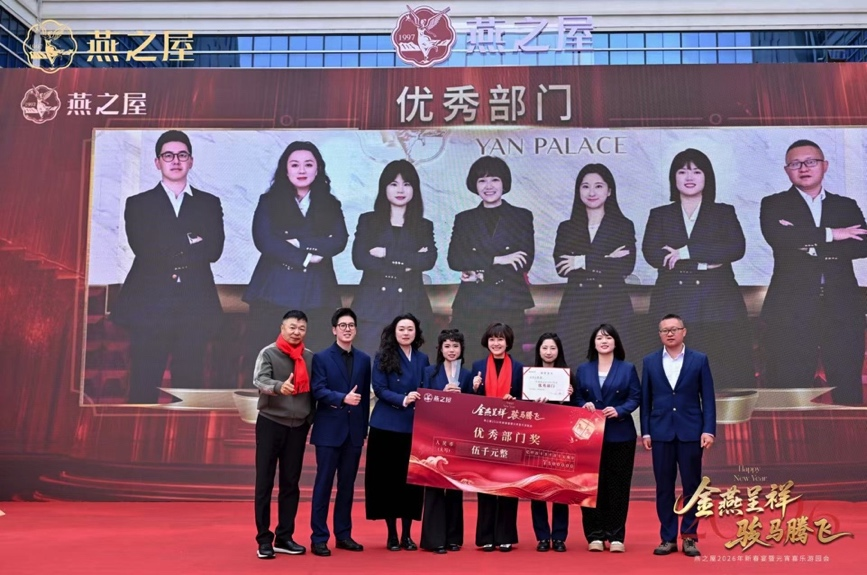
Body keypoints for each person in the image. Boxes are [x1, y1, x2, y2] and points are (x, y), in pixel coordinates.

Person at [112, 130, 225, 404]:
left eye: (182, 155)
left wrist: (169, 241)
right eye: (168, 155)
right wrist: (191, 239)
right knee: (144, 382)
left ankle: (187, 433)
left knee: (189, 384)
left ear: (191, 161)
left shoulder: (209, 203)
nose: (175, 160)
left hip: (195, 303)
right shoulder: (138, 204)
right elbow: (145, 249)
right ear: (157, 162)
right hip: (149, 303)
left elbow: (214, 250)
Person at [760, 139, 867, 405]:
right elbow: (779, 239)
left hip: (842, 305)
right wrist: (834, 234)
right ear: (787, 170)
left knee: (847, 384)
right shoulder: (774, 204)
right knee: (789, 385)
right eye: (795, 164)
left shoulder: (845, 205)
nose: (804, 168)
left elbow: (862, 245)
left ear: (824, 166)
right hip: (790, 306)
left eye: (811, 162)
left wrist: (808, 244)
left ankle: (847, 432)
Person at [642, 148, 753, 390]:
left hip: (718, 302)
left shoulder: (723, 212)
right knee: (675, 375)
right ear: (673, 177)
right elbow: (652, 254)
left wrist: (685, 253)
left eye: (696, 171)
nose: (689, 177)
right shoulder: (660, 214)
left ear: (707, 177)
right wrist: (707, 261)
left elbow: (735, 248)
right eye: (682, 171)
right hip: (673, 300)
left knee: (721, 371)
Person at [244, 141, 349, 362]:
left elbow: (339, 240)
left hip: (318, 291)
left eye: (308, 164)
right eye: (294, 165)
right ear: (285, 169)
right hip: (273, 290)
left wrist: (300, 242)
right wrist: (307, 257)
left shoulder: (330, 204)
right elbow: (264, 240)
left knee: (315, 359)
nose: (302, 170)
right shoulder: (269, 201)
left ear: (318, 169)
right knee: (268, 360)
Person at [640, 314, 716, 558]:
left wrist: (708, 429)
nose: (670, 333)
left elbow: (708, 398)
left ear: (684, 331)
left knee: (692, 486)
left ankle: (690, 537)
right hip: (660, 432)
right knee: (664, 486)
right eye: (665, 330)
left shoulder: (699, 359)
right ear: (659, 334)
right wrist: (646, 431)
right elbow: (645, 400)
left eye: (674, 329)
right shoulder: (650, 361)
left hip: (691, 431)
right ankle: (668, 538)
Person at [447, 157, 535, 357]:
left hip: (509, 300)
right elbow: (455, 260)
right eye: (482, 180)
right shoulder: (464, 219)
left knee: (509, 359)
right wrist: (499, 259)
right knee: (471, 358)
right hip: (471, 303)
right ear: (475, 185)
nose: (488, 186)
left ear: (504, 183)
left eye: (494, 179)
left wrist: (477, 272)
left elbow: (524, 261)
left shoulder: (521, 216)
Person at [352, 160, 438, 354]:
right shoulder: (368, 220)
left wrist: (386, 253)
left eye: (406, 184)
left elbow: (428, 260)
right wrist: (409, 262)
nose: (400, 190)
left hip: (411, 304)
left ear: (414, 189)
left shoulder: (423, 225)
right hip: (373, 307)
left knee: (411, 366)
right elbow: (359, 259)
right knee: (372, 363)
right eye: (394, 184)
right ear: (384, 187)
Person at [554, 164, 636, 363]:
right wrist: (607, 259)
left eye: (598, 186)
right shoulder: (566, 228)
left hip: (612, 304)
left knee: (613, 365)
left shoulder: (623, 226)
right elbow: (562, 267)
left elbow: (625, 266)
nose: (591, 192)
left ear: (609, 191)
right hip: (576, 306)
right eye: (585, 186)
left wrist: (582, 260)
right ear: (578, 191)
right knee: (576, 363)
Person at [309, 308, 371, 556]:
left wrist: (363, 430)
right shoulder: (321, 358)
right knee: (323, 484)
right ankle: (319, 537)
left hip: (354, 433)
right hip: (328, 432)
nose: (347, 329)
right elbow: (318, 390)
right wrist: (342, 398)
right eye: (343, 325)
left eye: (351, 325)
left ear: (356, 329)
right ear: (334, 329)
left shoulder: (364, 359)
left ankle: (343, 535)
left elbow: (363, 399)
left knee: (347, 486)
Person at [252, 310, 314, 559]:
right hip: (271, 423)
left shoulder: (309, 357)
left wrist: (308, 419)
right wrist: (279, 387)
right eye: (292, 327)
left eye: (301, 328)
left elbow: (315, 391)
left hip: (297, 427)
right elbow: (259, 380)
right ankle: (264, 539)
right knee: (264, 482)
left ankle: (284, 537)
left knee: (291, 483)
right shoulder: (268, 353)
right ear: (282, 328)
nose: (296, 332)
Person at [365, 313, 430, 551]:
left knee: (411, 481)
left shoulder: (422, 358)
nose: (405, 333)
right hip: (386, 426)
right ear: (394, 332)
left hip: (414, 427)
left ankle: (407, 535)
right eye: (401, 329)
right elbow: (379, 388)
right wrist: (403, 399)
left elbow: (427, 388)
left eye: (410, 329)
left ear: (416, 332)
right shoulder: (383, 355)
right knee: (388, 481)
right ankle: (392, 534)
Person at [574, 324, 640, 554]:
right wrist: (584, 405)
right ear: (593, 343)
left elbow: (635, 396)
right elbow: (576, 397)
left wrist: (620, 410)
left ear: (615, 342)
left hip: (620, 434)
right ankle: (595, 535)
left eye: (608, 337)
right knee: (590, 485)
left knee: (618, 486)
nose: (604, 341)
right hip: (589, 436)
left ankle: (616, 536)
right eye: (599, 338)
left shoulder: (627, 368)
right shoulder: (583, 369)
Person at [464, 322, 524, 552]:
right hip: (484, 435)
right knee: (485, 485)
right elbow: (469, 402)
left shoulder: (519, 368)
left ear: (508, 342)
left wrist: (514, 401)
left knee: (508, 485)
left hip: (510, 435)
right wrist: (475, 388)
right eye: (492, 339)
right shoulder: (478, 366)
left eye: (500, 339)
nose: (496, 343)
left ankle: (506, 535)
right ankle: (486, 536)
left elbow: (526, 402)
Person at [419, 329, 472, 554]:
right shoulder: (429, 372)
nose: (451, 350)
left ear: (461, 349)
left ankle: (453, 538)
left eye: (455, 346)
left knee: (454, 487)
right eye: (447, 346)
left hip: (457, 436)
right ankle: (435, 540)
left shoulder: (468, 375)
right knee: (433, 487)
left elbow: (473, 409)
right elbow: (423, 401)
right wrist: (442, 394)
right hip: (433, 436)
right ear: (440, 349)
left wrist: (466, 395)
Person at [528, 333, 574, 553]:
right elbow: (521, 409)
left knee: (560, 489)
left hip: (561, 439)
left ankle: (559, 536)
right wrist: (533, 403)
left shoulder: (568, 376)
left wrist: (570, 395)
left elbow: (576, 409)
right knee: (537, 488)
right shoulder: (530, 376)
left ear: (559, 351)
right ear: (539, 350)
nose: (548, 352)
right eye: (544, 348)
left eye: (552, 348)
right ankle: (542, 537)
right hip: (536, 439)